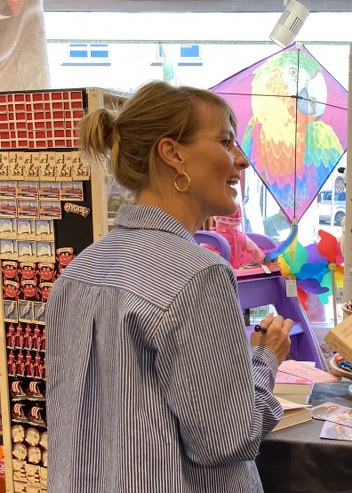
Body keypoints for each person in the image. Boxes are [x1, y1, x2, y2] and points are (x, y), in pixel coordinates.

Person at [45, 81, 293, 492]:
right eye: (226, 141)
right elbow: (228, 439)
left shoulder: (79, 272)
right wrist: (265, 360)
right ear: (173, 153)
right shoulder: (199, 274)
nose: (242, 160)